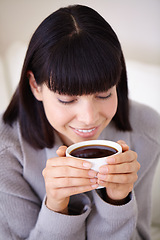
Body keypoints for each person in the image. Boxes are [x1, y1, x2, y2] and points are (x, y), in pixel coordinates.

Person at [0, 4, 159, 240]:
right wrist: (56, 207)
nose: (89, 117)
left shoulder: (146, 130)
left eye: (104, 94)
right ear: (35, 86)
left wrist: (117, 202)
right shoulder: (7, 150)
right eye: (67, 99)